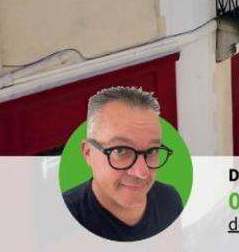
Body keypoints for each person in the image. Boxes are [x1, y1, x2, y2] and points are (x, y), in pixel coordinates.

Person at [63, 86, 182, 242]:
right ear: (88, 153)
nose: (142, 172)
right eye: (120, 151)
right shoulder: (59, 223)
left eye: (152, 151)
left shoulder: (169, 200)